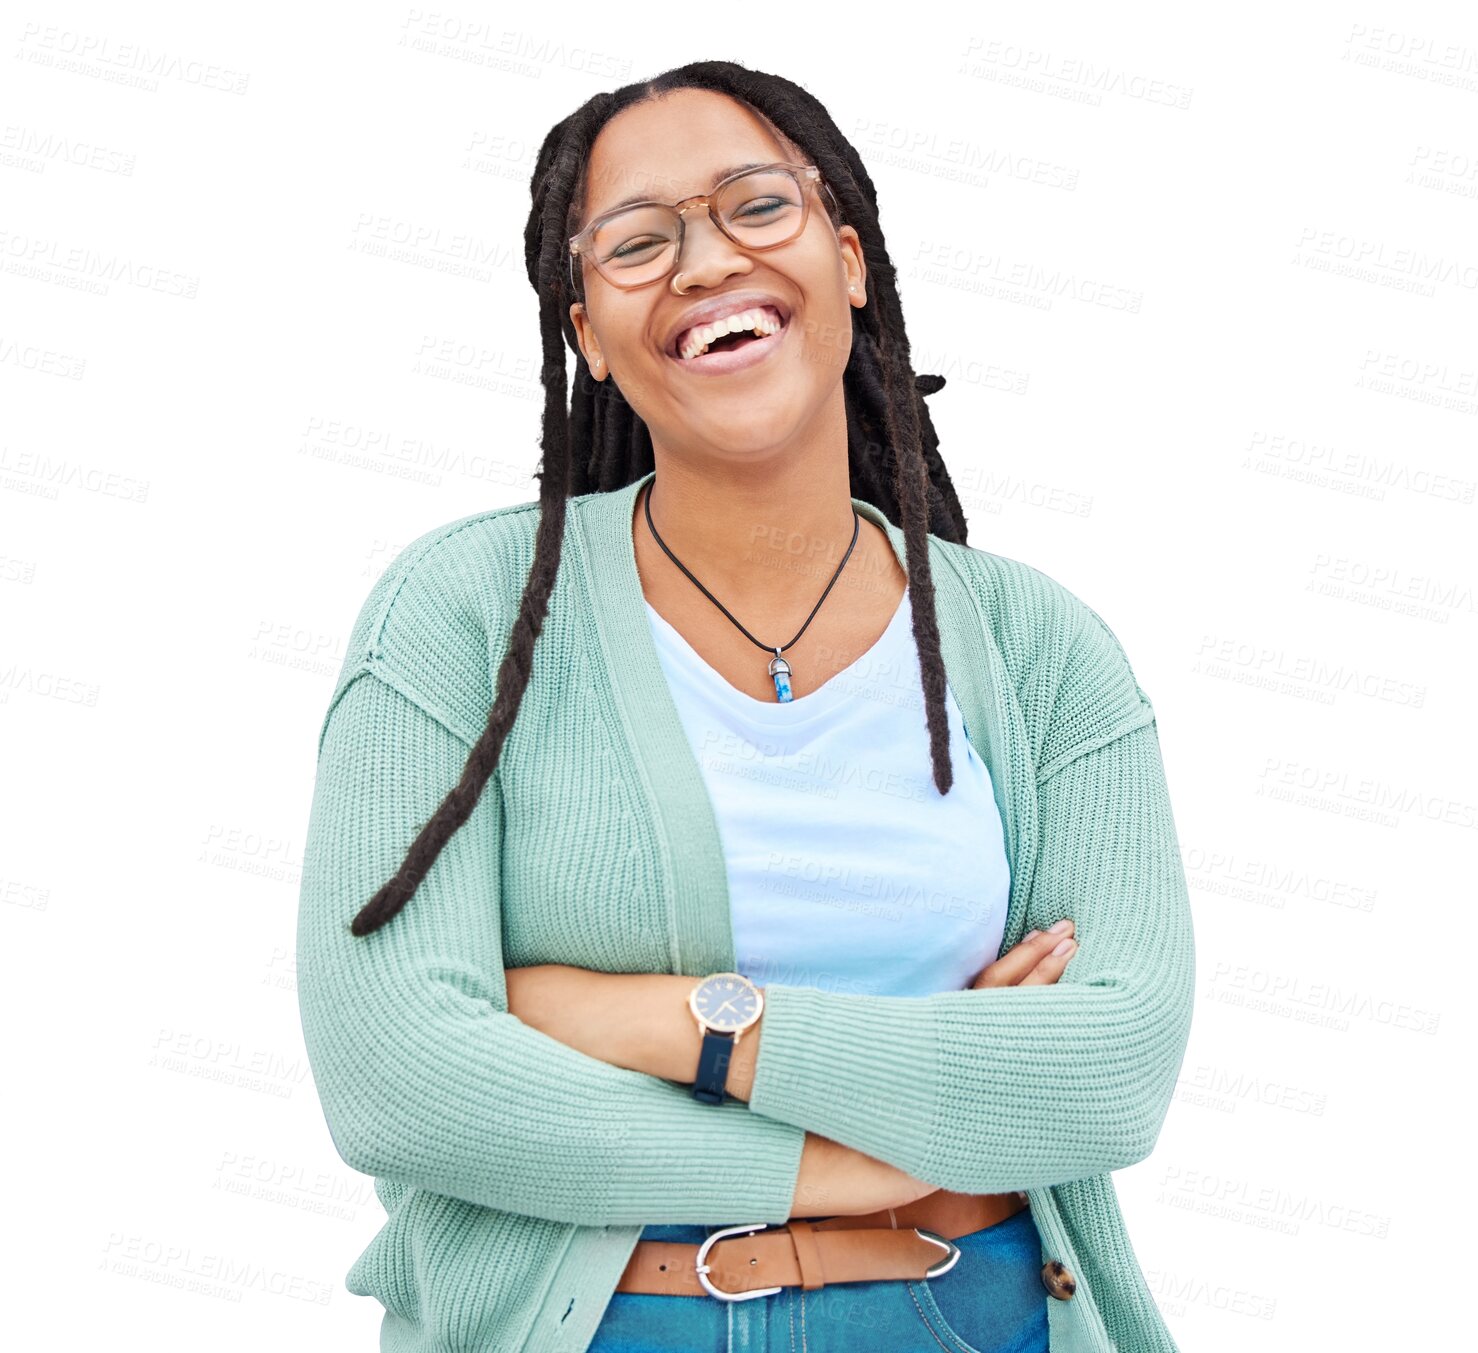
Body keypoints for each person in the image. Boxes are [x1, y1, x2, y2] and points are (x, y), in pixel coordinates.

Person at [295, 59, 1195, 1353]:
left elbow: (1106, 1074)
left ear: (849, 260)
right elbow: (402, 1082)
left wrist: (670, 1019)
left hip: (971, 1316)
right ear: (587, 337)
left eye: (754, 207)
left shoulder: (1036, 644)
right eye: (637, 240)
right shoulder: (461, 611)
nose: (706, 261)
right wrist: (850, 1162)